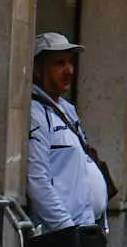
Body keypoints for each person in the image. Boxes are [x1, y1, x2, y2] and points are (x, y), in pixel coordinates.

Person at [24, 35, 111, 231]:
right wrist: (66, 228)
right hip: (63, 234)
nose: (68, 70)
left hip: (88, 228)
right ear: (38, 69)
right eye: (59, 63)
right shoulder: (34, 112)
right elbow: (37, 180)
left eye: (70, 62)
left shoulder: (67, 109)